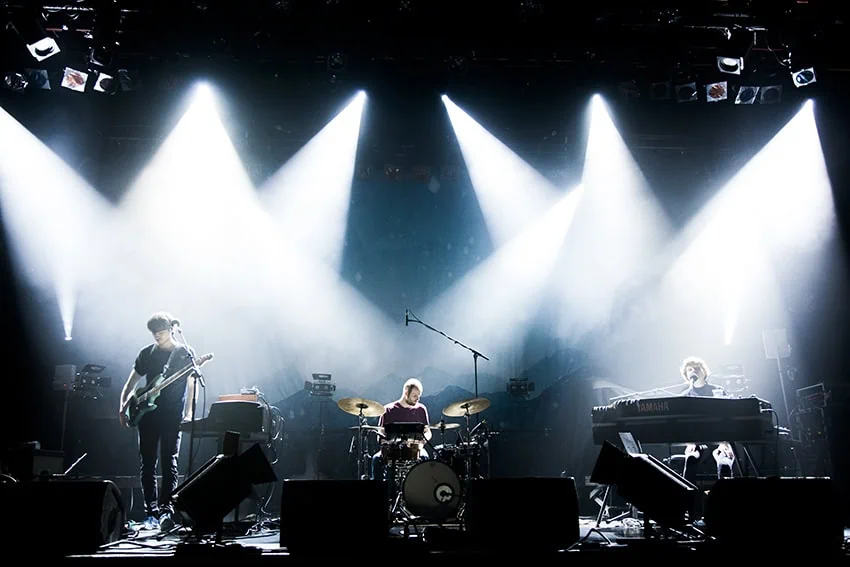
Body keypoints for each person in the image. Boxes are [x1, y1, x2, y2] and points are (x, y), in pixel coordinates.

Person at [118, 312, 196, 531]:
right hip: (147, 416)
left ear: (171, 329)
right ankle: (150, 511)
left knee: (169, 462)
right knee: (148, 464)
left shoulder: (183, 353)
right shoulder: (147, 354)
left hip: (172, 417)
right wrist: (123, 406)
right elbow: (131, 382)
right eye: (154, 334)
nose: (157, 337)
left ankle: (166, 510)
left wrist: (189, 414)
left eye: (161, 333)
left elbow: (192, 385)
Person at [678, 356, 736, 488]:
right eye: (690, 370)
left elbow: (728, 418)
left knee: (725, 463)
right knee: (691, 459)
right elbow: (682, 424)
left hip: (719, 441)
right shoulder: (685, 396)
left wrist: (725, 442)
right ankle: (687, 499)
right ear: (686, 375)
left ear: (704, 371)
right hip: (699, 443)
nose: (694, 371)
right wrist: (689, 442)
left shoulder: (718, 391)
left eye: (697, 368)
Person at [370, 378, 432, 482]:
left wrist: (424, 441)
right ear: (406, 393)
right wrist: (385, 441)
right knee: (376, 460)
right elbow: (380, 433)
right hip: (392, 450)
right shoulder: (388, 409)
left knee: (425, 458)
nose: (417, 399)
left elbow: (428, 431)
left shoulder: (421, 409)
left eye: (419, 396)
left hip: (414, 449)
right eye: (414, 396)